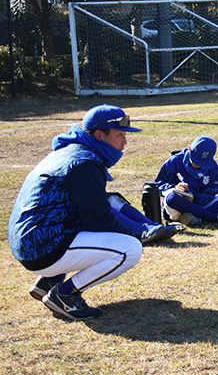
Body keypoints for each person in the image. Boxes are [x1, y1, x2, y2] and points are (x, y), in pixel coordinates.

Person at [8, 105, 146, 321]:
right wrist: (132, 233)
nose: (124, 141)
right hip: (41, 247)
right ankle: (65, 295)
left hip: (29, 241)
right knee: (130, 249)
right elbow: (98, 219)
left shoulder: (71, 151)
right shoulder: (84, 162)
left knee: (79, 221)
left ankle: (49, 281)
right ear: (100, 135)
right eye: (120, 134)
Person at [155, 135, 218, 225]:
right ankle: (214, 218)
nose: (197, 165)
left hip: (200, 205)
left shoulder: (212, 167)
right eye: (195, 160)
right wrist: (175, 188)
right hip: (177, 207)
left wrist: (194, 198)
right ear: (189, 149)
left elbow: (210, 193)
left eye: (202, 163)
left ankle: (193, 218)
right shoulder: (174, 161)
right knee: (171, 198)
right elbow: (158, 185)